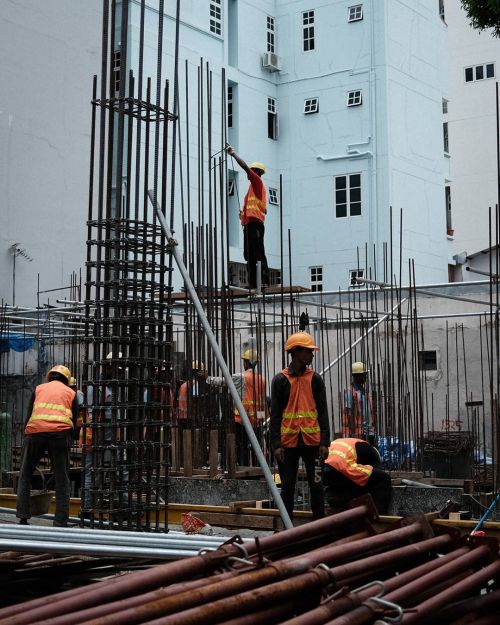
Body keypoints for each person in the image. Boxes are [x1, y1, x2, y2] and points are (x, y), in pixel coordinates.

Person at [270, 332, 330, 521]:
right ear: (296, 352)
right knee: (287, 487)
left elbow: (323, 412)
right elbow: (275, 415)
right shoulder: (280, 380)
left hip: (313, 443)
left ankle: (318, 525)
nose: (312, 355)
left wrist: (324, 442)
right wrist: (276, 444)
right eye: (308, 351)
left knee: (317, 485)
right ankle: (288, 527)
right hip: (288, 444)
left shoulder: (315, 379)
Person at [16, 364, 79, 527]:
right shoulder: (71, 393)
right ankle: (60, 521)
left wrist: (27, 436)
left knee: (25, 474)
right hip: (59, 434)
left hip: (35, 432)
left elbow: (29, 414)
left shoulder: (38, 388)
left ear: (50, 376)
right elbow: (75, 422)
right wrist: (68, 441)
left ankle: (23, 516)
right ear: (66, 380)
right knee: (62, 478)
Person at [207, 349, 268, 465]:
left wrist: (207, 378)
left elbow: (223, 381)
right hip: (257, 420)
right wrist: (261, 419)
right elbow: (262, 402)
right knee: (256, 448)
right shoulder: (262, 380)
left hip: (242, 420)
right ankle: (257, 468)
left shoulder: (241, 377)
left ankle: (244, 468)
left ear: (246, 362)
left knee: (242, 446)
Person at [225, 144, 269, 289]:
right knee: (248, 254)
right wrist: (242, 217)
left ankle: (263, 281)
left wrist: (233, 154)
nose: (250, 172)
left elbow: (244, 167)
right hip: (249, 225)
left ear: (257, 172)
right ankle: (253, 282)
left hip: (256, 225)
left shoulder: (257, 181)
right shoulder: (250, 190)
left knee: (257, 252)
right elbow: (251, 209)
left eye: (253, 170)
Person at [323, 437, 392, 515]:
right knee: (383, 478)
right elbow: (375, 469)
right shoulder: (369, 449)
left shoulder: (346, 442)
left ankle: (339, 502)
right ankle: (380, 514)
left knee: (354, 480)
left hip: (324, 469)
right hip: (342, 466)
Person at [342, 361, 376, 440]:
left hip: (368, 431)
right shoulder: (350, 392)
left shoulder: (364, 391)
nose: (365, 377)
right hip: (358, 433)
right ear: (357, 376)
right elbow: (349, 413)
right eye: (364, 375)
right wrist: (353, 434)